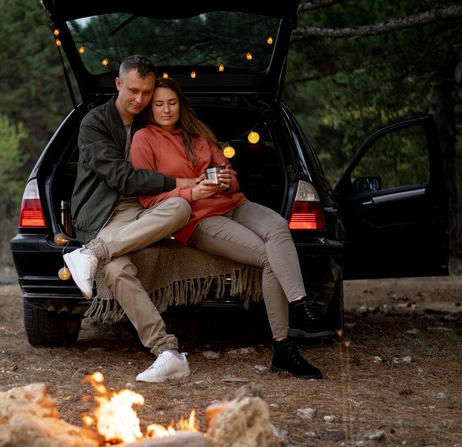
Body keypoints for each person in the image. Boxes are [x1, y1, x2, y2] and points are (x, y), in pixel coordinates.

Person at [130, 77, 330, 379]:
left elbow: (230, 173)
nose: (166, 109)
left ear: (180, 104)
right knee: (267, 257)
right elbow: (147, 197)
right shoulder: (144, 139)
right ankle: (284, 348)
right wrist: (190, 194)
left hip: (233, 203)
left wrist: (226, 180)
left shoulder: (199, 134)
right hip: (198, 220)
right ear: (150, 108)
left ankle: (298, 303)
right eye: (158, 104)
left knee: (278, 226)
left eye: (171, 102)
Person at [63, 56, 199, 383]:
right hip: (106, 211)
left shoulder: (149, 120)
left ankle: (91, 254)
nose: (140, 99)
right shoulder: (94, 122)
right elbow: (122, 178)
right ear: (118, 84)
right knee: (116, 268)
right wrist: (178, 184)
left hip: (148, 205)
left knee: (181, 209)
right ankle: (167, 351)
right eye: (134, 91)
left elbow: (182, 148)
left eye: (147, 93)